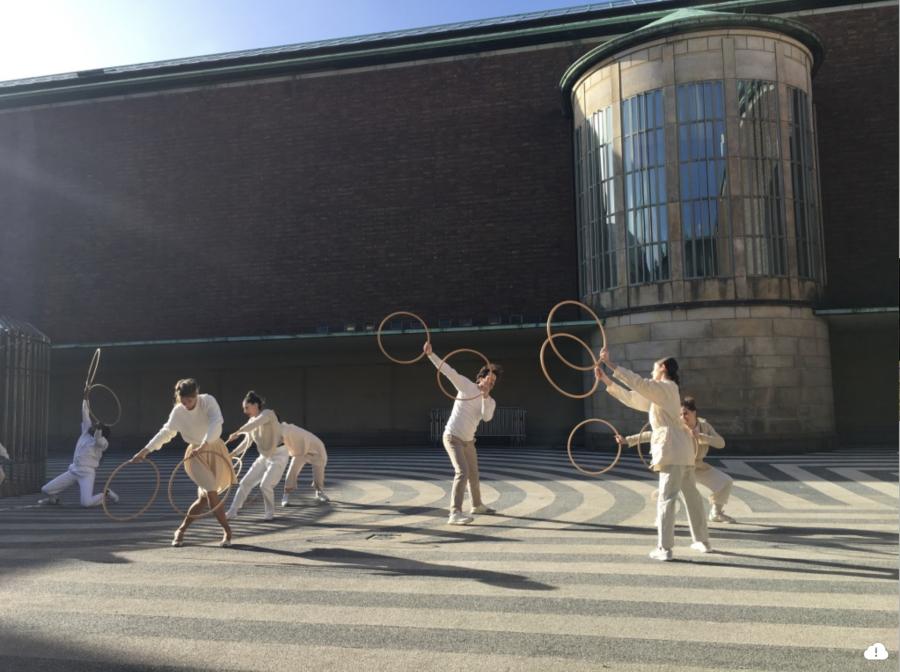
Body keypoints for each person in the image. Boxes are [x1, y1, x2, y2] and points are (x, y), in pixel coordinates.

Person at [596, 349, 710, 561]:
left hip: (672, 449)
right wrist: (606, 381)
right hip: (682, 451)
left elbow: (639, 384)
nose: (651, 372)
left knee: (667, 499)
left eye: (654, 368)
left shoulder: (665, 388)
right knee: (692, 497)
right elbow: (634, 398)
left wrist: (611, 365)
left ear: (663, 368)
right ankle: (702, 541)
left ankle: (664, 548)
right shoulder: (665, 392)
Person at [132, 379, 234, 547]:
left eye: (190, 400)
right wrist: (145, 451)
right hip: (195, 454)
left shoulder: (208, 401)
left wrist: (205, 444)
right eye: (183, 401)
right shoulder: (178, 411)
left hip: (214, 448)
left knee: (204, 498)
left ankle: (181, 529)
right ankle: (227, 530)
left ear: (196, 394)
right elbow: (166, 432)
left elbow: (217, 422)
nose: (186, 404)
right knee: (211, 491)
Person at [425, 342, 501, 525]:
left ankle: (476, 505)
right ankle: (455, 513)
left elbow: (487, 417)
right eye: (488, 379)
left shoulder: (490, 401)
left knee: (474, 474)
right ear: (480, 378)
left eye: (493, 382)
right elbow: (448, 371)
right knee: (462, 472)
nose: (490, 383)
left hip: (468, 441)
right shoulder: (466, 386)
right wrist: (430, 354)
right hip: (452, 437)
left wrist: (484, 396)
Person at [38, 390, 118, 507]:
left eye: (95, 426)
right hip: (73, 470)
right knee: (45, 489)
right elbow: (85, 413)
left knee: (86, 503)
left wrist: (99, 430)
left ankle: (106, 494)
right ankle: (53, 499)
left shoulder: (103, 442)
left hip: (87, 473)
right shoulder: (86, 431)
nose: (92, 426)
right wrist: (85, 398)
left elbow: (98, 438)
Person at [225, 391, 289, 521]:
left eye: (246, 407)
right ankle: (232, 511)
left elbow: (254, 424)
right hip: (264, 456)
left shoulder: (268, 414)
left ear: (255, 405)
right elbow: (246, 442)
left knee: (265, 485)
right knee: (245, 482)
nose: (245, 411)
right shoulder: (251, 421)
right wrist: (232, 454)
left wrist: (237, 432)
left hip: (279, 455)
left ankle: (269, 513)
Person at [680, 397, 735, 523]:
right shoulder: (677, 426)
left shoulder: (704, 426)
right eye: (680, 414)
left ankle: (716, 513)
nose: (683, 417)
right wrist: (628, 440)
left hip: (698, 466)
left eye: (685, 413)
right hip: (680, 467)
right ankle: (663, 520)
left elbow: (721, 443)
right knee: (669, 494)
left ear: (694, 412)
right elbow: (652, 435)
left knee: (725, 482)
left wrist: (701, 437)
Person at [280, 423, 330, 506]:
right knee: (292, 470)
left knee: (319, 472)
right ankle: (285, 495)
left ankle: (319, 492)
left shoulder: (287, 429)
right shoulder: (279, 429)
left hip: (316, 449)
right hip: (300, 450)